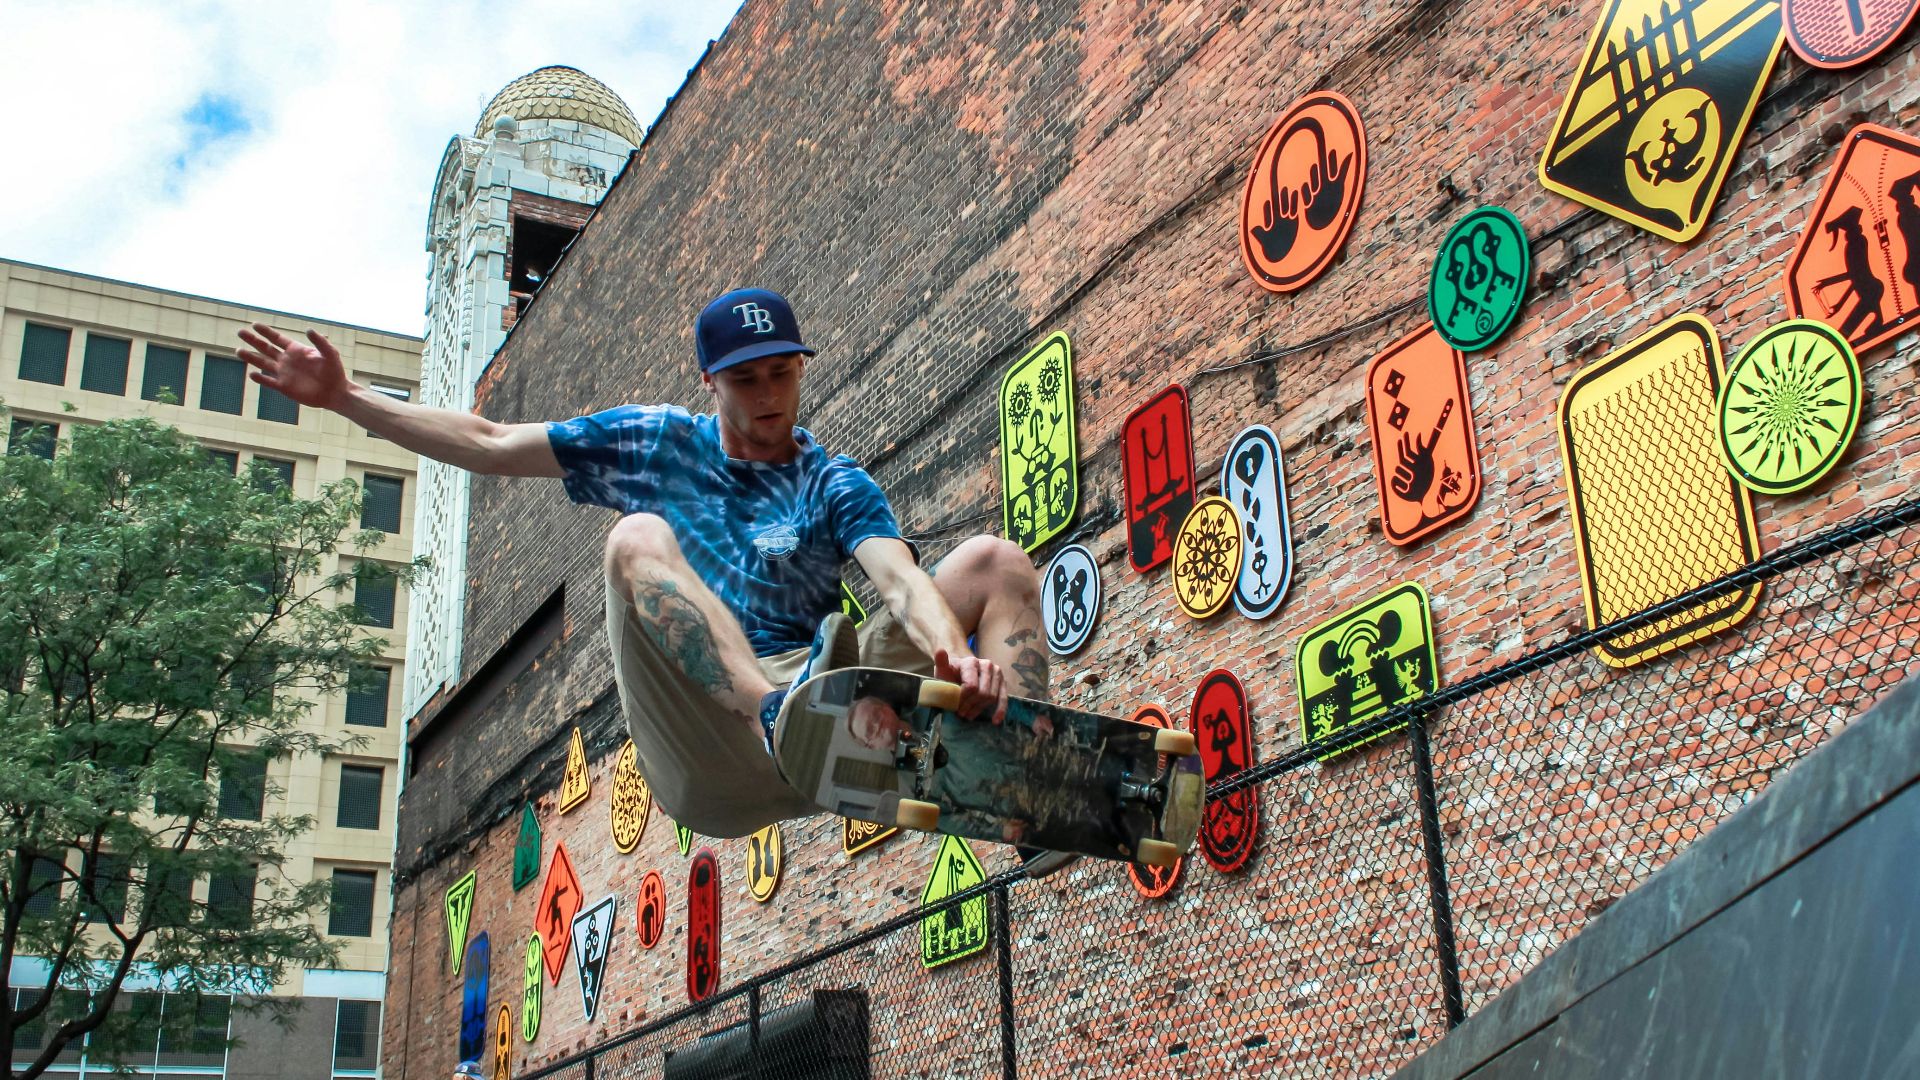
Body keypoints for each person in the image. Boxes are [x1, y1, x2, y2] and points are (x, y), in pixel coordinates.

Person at [234, 288, 1069, 874]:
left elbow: (898, 578)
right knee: (635, 535)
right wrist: (347, 396)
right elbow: (490, 443)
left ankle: (1028, 791)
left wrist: (954, 653)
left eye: (782, 373)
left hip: (830, 707)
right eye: (745, 380)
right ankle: (777, 715)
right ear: (710, 380)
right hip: (709, 738)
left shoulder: (831, 479)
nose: (769, 396)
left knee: (991, 560)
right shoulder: (655, 443)